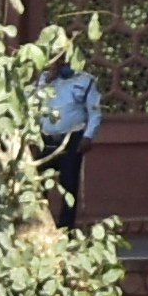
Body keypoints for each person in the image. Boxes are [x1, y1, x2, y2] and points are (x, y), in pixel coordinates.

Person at [38, 53, 103, 223]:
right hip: (46, 139)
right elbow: (31, 103)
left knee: (68, 185)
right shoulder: (43, 79)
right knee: (39, 185)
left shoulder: (85, 80)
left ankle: (66, 231)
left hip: (72, 138)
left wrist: (88, 136)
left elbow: (95, 112)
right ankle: (40, 227)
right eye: (58, 60)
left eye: (66, 60)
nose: (62, 63)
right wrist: (49, 78)